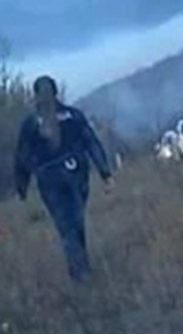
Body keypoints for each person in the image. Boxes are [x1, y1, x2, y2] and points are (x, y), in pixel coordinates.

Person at [13, 76, 114, 283]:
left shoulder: (30, 124)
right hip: (77, 173)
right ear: (56, 92)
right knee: (76, 221)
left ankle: (80, 273)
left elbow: (22, 157)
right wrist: (105, 173)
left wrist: (22, 187)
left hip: (49, 180)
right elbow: (91, 142)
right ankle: (81, 268)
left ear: (35, 95)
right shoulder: (74, 116)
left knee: (65, 225)